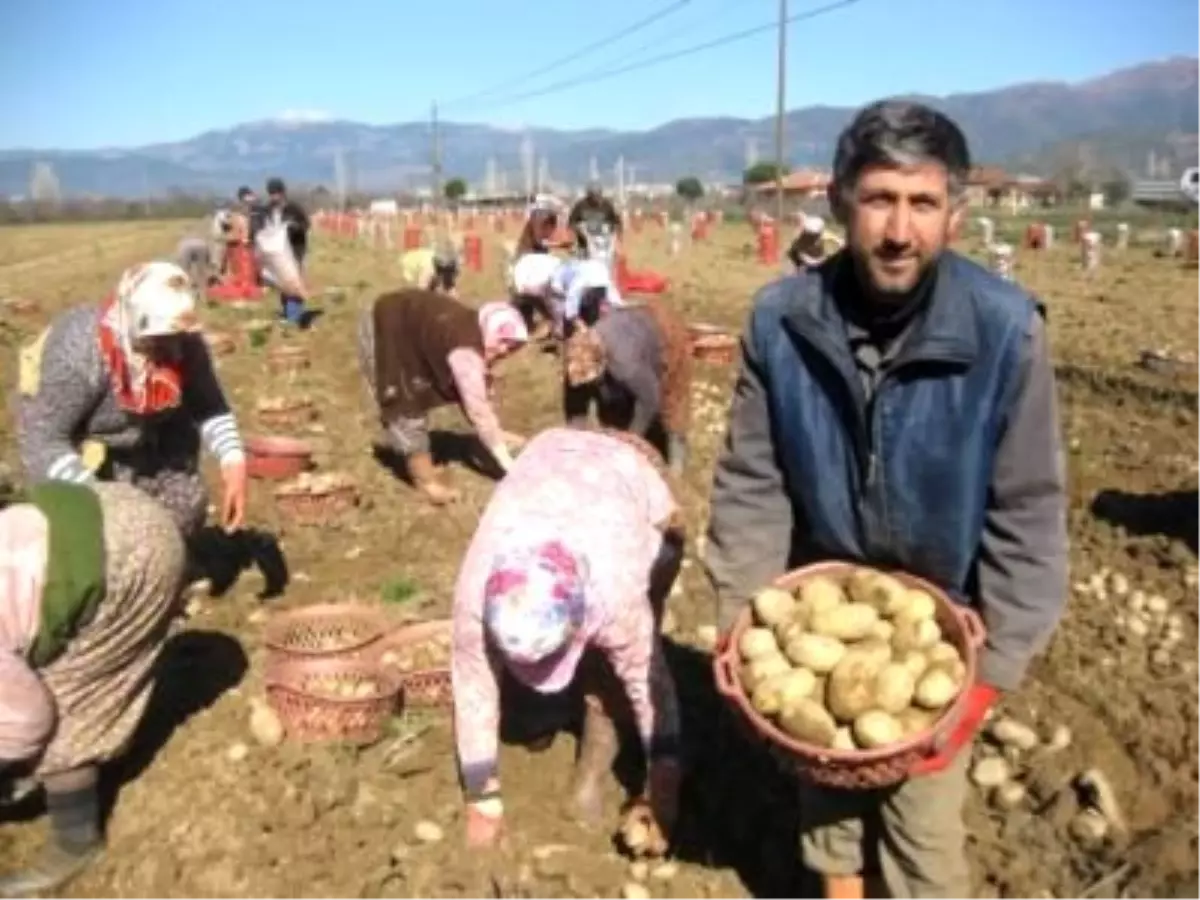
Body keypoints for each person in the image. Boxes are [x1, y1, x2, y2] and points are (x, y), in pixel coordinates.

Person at [705, 99, 1069, 900]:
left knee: (923, 832)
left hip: (944, 622)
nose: (899, 229)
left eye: (923, 203)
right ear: (839, 201)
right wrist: (743, 617)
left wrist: (986, 676)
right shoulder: (782, 321)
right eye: (879, 199)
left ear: (956, 215)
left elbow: (1030, 512)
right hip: (820, 600)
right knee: (826, 796)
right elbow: (751, 482)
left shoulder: (1006, 333)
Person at [451, 426, 684, 849]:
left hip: (641, 483)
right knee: (525, 715)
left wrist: (662, 794)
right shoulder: (476, 592)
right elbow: (473, 689)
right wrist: (482, 802)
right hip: (555, 453)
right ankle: (554, 709)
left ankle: (592, 769)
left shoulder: (616, 595)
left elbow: (650, 687)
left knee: (614, 669)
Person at [0, 480, 187, 897]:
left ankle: (76, 843)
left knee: (65, 711)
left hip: (133, 560)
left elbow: (30, 720)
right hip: (102, 509)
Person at [16, 261, 248, 542]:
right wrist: (102, 502)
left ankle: (163, 569)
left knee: (185, 506)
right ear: (134, 326)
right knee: (93, 535)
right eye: (159, 341)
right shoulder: (80, 353)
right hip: (78, 449)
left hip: (143, 439)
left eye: (176, 339)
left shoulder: (185, 341)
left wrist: (233, 461)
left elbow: (209, 406)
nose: (173, 349)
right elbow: (44, 440)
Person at [356, 290, 529, 505]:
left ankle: (488, 438)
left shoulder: (479, 330)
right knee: (405, 402)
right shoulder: (466, 352)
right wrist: (506, 463)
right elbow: (476, 406)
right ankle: (426, 482)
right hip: (385, 327)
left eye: (512, 347)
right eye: (502, 342)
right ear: (491, 331)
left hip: (408, 321)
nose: (504, 351)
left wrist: (494, 433)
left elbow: (474, 396)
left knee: (428, 395)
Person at [562, 293, 693, 476]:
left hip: (661, 331)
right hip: (626, 331)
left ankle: (676, 464)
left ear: (603, 364)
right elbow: (575, 409)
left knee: (672, 401)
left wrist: (631, 439)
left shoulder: (625, 364)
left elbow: (650, 399)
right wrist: (576, 447)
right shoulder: (577, 355)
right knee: (612, 409)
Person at [262, 177, 311, 325]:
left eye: (276, 193)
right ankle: (287, 312)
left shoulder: (293, 208)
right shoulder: (268, 209)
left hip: (294, 250)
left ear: (283, 193)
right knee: (282, 283)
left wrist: (293, 227)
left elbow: (306, 225)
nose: (274, 196)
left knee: (293, 282)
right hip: (275, 252)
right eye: (271, 193)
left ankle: (294, 317)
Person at [568, 181, 623, 257]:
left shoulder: (607, 205)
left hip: (603, 244)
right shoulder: (580, 205)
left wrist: (618, 240)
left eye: (598, 195)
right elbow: (571, 222)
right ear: (589, 195)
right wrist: (578, 231)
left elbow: (617, 223)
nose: (597, 199)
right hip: (584, 244)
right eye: (594, 196)